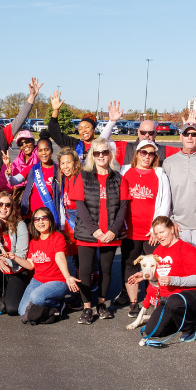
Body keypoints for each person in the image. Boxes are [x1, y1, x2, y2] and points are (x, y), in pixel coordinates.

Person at [68, 137, 128, 324]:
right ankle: (87, 307)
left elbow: (123, 208)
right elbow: (80, 206)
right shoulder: (83, 176)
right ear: (92, 156)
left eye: (104, 152)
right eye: (97, 153)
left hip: (110, 234)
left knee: (106, 270)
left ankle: (101, 304)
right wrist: (94, 230)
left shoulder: (118, 178)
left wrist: (113, 230)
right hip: (88, 233)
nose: (101, 156)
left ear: (110, 155)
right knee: (85, 271)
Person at [127, 216, 196, 341]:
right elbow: (160, 274)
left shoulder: (186, 248)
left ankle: (190, 327)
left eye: (162, 232)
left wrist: (173, 280)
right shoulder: (158, 251)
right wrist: (143, 275)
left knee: (175, 301)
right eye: (156, 234)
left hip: (193, 295)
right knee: (152, 331)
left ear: (171, 229)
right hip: (167, 298)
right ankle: (181, 322)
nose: (159, 236)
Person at [119, 139, 171, 316]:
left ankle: (154, 301)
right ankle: (134, 303)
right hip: (130, 230)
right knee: (130, 265)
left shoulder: (159, 174)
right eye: (144, 152)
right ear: (137, 153)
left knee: (154, 267)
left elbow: (165, 203)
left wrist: (157, 229)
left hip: (151, 232)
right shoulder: (125, 171)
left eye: (151, 154)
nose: (147, 156)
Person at [5, 207, 80, 320]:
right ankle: (46, 304)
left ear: (50, 220)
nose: (40, 221)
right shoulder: (34, 241)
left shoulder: (57, 237)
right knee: (22, 311)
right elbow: (31, 265)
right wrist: (15, 257)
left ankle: (58, 304)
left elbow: (59, 257)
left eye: (44, 218)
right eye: (36, 219)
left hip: (57, 281)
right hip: (38, 281)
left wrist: (68, 277)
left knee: (36, 297)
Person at [46, 92, 119, 164]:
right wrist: (55, 110)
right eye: (80, 129)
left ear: (93, 129)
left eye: (86, 127)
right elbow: (55, 133)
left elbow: (104, 136)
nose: (83, 130)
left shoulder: (101, 144)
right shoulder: (74, 144)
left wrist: (112, 121)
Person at [15, 137, 61, 219]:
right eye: (40, 150)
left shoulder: (59, 171)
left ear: (51, 150)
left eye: (46, 150)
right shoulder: (33, 168)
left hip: (47, 218)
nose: (43, 153)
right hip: (29, 216)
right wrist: (8, 174)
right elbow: (13, 181)